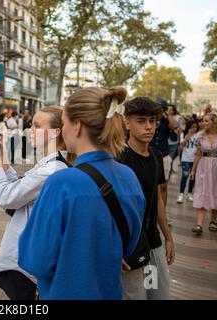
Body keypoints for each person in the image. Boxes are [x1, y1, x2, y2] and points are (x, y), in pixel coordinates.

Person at [18, 87, 145, 299]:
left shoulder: (61, 183)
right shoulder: (129, 177)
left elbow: (36, 260)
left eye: (65, 122)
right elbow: (128, 244)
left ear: (77, 126)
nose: (63, 129)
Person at [0, 107, 73, 300]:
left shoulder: (52, 169)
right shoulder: (50, 163)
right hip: (24, 260)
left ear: (55, 132)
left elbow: (6, 197)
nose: (29, 130)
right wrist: (4, 161)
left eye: (36, 126)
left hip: (25, 265)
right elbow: (21, 190)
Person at [120, 97, 175, 300]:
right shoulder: (119, 160)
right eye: (141, 121)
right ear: (127, 123)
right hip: (129, 247)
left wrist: (168, 237)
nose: (148, 127)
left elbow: (158, 199)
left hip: (153, 243)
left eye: (152, 121)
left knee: (159, 295)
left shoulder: (156, 156)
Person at [190, 113, 217, 235]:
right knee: (202, 192)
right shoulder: (200, 136)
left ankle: (213, 221)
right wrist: (193, 170)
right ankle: (199, 224)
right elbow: (198, 154)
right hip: (203, 167)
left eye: (206, 121)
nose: (203, 123)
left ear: (214, 122)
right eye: (203, 121)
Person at [150, 98, 179, 225]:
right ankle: (149, 211)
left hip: (163, 155)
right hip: (149, 154)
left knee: (163, 186)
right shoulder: (150, 118)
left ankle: (163, 212)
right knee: (149, 183)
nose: (158, 110)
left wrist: (168, 114)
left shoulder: (167, 120)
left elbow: (175, 126)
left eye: (160, 108)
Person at [177, 120, 200, 203]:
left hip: (195, 159)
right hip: (186, 158)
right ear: (189, 126)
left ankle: (189, 194)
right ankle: (181, 194)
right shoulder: (184, 134)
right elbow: (182, 145)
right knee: (185, 175)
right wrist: (188, 135)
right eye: (192, 126)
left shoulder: (199, 135)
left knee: (192, 176)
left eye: (196, 127)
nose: (194, 128)